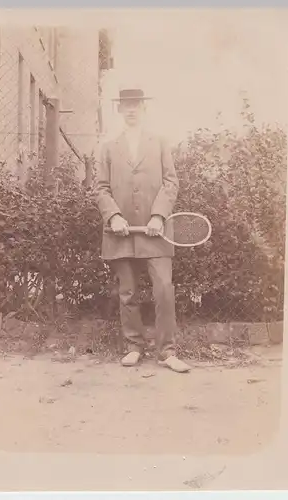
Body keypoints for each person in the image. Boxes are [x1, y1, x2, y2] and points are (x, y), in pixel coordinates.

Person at [95, 87, 190, 373]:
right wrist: (113, 217)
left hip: (156, 232)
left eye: (136, 104)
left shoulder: (160, 142)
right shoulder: (109, 146)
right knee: (128, 292)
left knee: (163, 290)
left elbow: (171, 182)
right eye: (126, 105)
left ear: (143, 108)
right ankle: (133, 347)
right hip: (121, 232)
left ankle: (167, 351)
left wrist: (159, 216)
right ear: (120, 110)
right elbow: (100, 188)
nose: (131, 109)